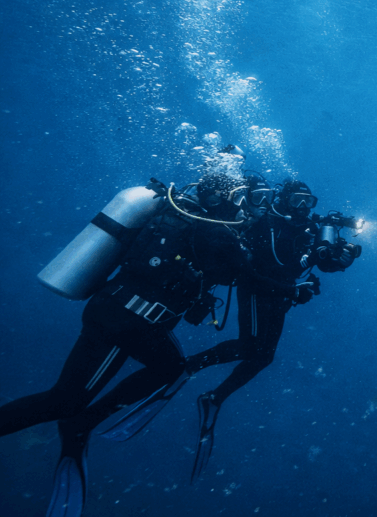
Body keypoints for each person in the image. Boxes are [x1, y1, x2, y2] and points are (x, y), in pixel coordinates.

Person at [0, 149, 254, 517]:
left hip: (117, 312)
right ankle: (81, 422)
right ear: (225, 198)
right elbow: (238, 273)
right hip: (129, 321)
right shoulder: (212, 231)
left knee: (73, 394)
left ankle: (81, 421)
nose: (243, 207)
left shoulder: (178, 212)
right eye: (240, 198)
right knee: (72, 398)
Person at [183, 177, 358, 480]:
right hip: (256, 289)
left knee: (264, 357)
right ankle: (187, 367)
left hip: (281, 294)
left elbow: (320, 260)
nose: (303, 207)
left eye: (308, 201)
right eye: (297, 201)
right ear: (282, 201)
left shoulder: (307, 228)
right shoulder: (268, 223)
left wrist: (342, 259)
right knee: (249, 347)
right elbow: (271, 263)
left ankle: (213, 398)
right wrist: (294, 285)